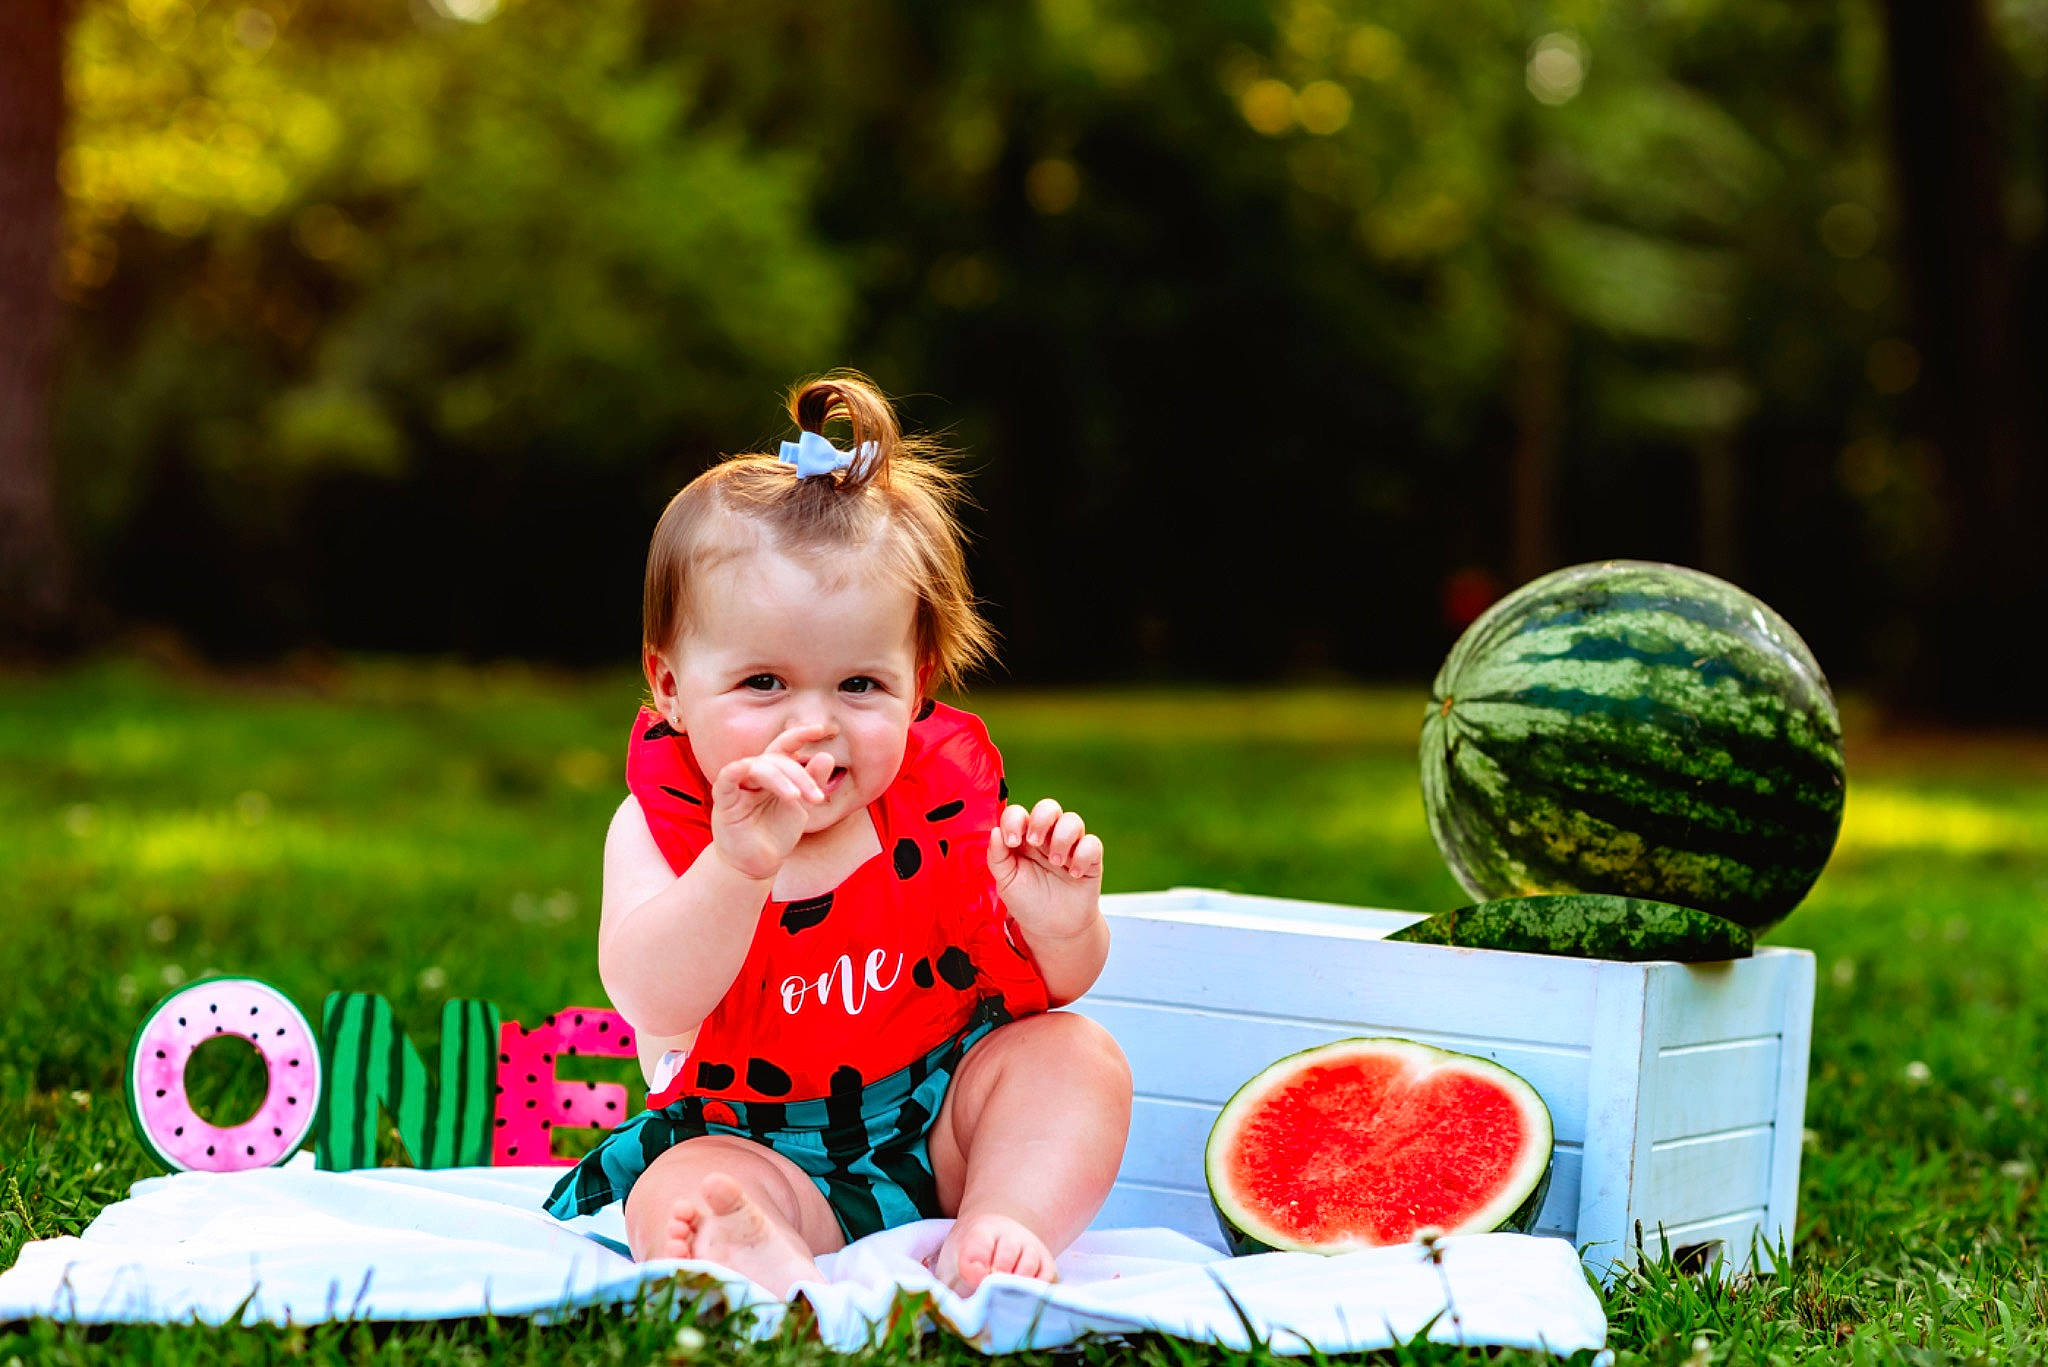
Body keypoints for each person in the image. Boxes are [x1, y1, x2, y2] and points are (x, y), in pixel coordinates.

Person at [543, 372, 1132, 1299]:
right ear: (669, 688)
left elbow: (1050, 988)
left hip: (938, 1117)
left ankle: (1001, 1221)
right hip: (752, 1131)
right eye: (764, 684)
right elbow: (651, 1000)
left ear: (918, 680)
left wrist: (1059, 925)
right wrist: (736, 864)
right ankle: (755, 1244)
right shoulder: (666, 823)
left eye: (859, 685)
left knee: (1074, 1054)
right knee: (681, 1185)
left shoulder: (937, 807)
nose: (811, 723)